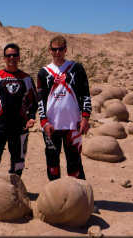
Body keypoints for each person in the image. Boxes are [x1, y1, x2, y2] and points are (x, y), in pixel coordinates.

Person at [0, 43, 38, 187]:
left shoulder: (26, 79)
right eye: (9, 55)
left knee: (18, 162)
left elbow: (33, 102)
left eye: (15, 55)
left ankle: (14, 191)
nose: (12, 58)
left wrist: (31, 118)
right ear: (4, 58)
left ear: (19, 57)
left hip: (20, 125)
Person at [37, 35, 92, 181]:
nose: (57, 52)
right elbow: (40, 100)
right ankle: (55, 198)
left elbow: (85, 94)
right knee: (52, 163)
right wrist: (43, 121)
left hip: (73, 125)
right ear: (50, 50)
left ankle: (81, 199)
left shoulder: (76, 68)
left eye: (60, 49)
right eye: (54, 49)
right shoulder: (44, 72)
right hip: (51, 126)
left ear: (66, 49)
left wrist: (85, 118)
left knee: (74, 163)